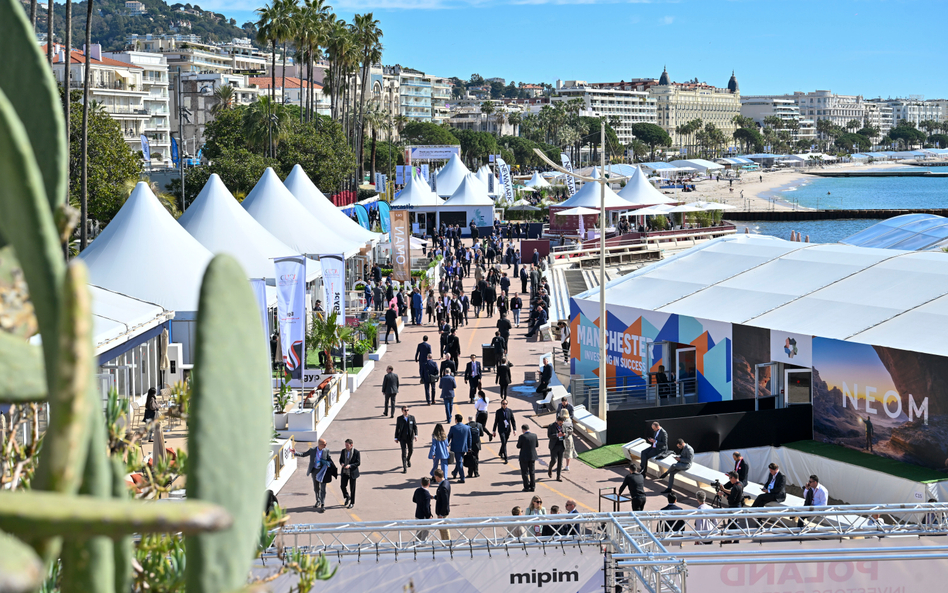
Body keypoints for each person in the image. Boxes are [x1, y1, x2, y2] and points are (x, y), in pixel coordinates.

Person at [295, 438, 331, 512]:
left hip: (323, 471)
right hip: (314, 471)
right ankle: (318, 500)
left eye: (326, 444)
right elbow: (303, 454)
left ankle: (322, 503)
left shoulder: (326, 450)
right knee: (316, 487)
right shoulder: (312, 450)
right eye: (324, 444)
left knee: (323, 488)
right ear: (320, 444)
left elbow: (329, 459)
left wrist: (328, 464)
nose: (325, 445)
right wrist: (295, 452)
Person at [447, 414, 472, 483]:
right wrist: (469, 447)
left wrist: (446, 444)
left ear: (456, 420)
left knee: (459, 461)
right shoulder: (467, 427)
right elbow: (469, 438)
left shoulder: (453, 428)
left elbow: (449, 437)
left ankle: (462, 477)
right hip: (464, 447)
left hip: (456, 448)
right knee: (459, 460)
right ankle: (455, 472)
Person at [338, 439, 360, 509]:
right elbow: (341, 459)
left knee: (352, 488)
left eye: (347, 445)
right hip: (345, 472)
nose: (346, 446)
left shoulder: (356, 452)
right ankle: (347, 496)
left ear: (351, 445)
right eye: (345, 445)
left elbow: (358, 462)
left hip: (352, 473)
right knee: (342, 486)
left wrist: (350, 466)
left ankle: (352, 502)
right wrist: (342, 463)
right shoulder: (343, 451)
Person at [395, 406, 418, 473]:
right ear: (402, 411)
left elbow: (415, 427)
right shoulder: (399, 419)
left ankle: (408, 459)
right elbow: (397, 428)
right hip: (402, 438)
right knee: (403, 452)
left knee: (411, 450)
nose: (406, 411)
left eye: (407, 410)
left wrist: (416, 435)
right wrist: (396, 437)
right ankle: (404, 467)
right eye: (405, 410)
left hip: (410, 437)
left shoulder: (412, 418)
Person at [493, 399, 516, 463]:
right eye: (503, 404)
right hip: (501, 430)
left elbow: (513, 421)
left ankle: (500, 452)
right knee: (504, 442)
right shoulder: (498, 411)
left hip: (508, 429)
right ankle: (506, 457)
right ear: (501, 404)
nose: (504, 405)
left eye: (505, 404)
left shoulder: (510, 411)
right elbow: (496, 421)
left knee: (505, 442)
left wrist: (514, 429)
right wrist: (494, 430)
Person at [517, 423, 539, 492]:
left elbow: (518, 446)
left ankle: (526, 487)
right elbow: (537, 445)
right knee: (532, 472)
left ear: (523, 430)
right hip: (532, 456)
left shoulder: (522, 437)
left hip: (524, 456)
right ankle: (533, 486)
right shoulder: (534, 435)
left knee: (525, 472)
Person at [546, 416, 567, 482]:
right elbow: (549, 435)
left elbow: (566, 434)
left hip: (561, 445)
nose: (561, 424)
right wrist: (557, 435)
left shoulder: (564, 426)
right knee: (554, 460)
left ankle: (558, 476)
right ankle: (550, 468)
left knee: (560, 462)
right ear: (557, 421)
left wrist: (564, 435)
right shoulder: (551, 426)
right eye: (560, 423)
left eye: (562, 423)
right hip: (554, 446)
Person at [433, 469, 451, 539]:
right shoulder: (446, 482)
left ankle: (447, 545)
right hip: (442, 512)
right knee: (442, 529)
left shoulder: (443, 487)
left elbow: (445, 502)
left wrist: (441, 514)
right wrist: (434, 497)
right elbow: (441, 497)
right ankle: (445, 543)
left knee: (444, 530)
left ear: (437, 477)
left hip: (442, 512)